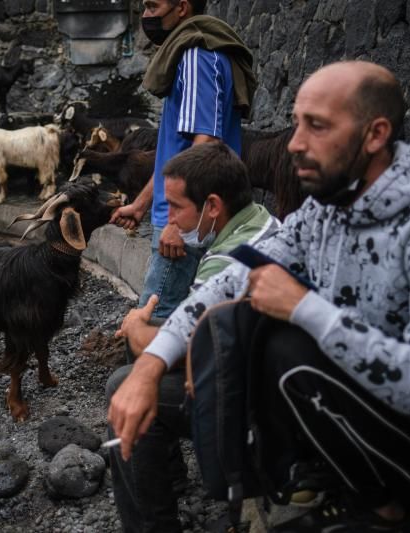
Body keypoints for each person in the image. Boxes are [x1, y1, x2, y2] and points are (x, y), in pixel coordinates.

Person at [109, 61, 410, 531]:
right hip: (345, 415)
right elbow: (231, 280)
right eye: (297, 122)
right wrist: (151, 363)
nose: (295, 143)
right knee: (214, 331)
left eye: (317, 126)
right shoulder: (326, 210)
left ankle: (376, 508)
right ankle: (261, 497)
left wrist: (306, 309)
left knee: (287, 343)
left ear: (376, 134)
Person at [107, 141, 280, 532]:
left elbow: (198, 356)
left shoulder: (225, 263)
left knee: (123, 385)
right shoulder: (263, 220)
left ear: (213, 207)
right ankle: (170, 473)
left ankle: (153, 523)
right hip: (261, 372)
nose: (168, 219)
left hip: (257, 404)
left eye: (176, 207)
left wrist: (137, 330)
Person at [110, 0, 257, 318]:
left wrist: (178, 223)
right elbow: (175, 152)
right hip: (188, 216)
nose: (147, 16)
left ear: (182, 8)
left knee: (152, 323)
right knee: (185, 327)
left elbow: (205, 144)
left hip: (187, 221)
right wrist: (141, 204)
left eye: (153, 6)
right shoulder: (193, 52)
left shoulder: (195, 55)